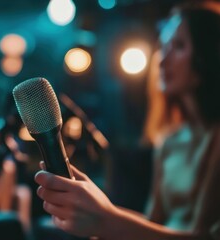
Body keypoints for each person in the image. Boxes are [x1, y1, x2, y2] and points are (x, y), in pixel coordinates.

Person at [35, 1, 220, 239]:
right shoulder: (169, 140)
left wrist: (106, 219)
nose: (162, 60)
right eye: (162, 47)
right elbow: (154, 223)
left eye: (179, 46)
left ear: (209, 54)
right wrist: (95, 211)